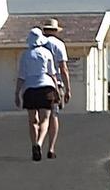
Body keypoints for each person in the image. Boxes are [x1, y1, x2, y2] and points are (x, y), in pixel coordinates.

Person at [14, 27, 64, 162]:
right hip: (46, 87)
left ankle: (34, 144)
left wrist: (17, 93)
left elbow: (21, 77)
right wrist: (57, 91)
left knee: (32, 120)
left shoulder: (25, 55)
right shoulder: (47, 53)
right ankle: (40, 143)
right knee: (45, 119)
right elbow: (52, 74)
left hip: (30, 89)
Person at [37, 18, 70, 158]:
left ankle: (38, 142)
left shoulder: (38, 44)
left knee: (40, 116)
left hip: (38, 82)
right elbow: (63, 68)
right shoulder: (59, 44)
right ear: (56, 31)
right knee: (53, 116)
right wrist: (68, 88)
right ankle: (51, 148)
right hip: (54, 84)